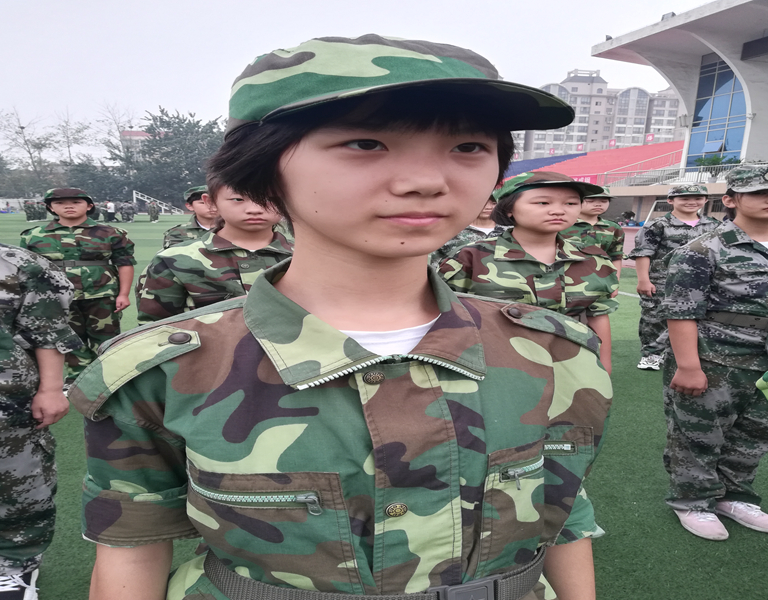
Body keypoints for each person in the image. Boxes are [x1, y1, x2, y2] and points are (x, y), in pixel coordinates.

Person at [69, 35, 612, 600]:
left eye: (468, 146)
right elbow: (133, 547)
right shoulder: (166, 370)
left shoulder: (555, 350)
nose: (427, 180)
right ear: (263, 170)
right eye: (365, 143)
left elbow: (564, 514)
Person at [0, 186, 82, 599]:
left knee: (21, 495)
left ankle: (15, 568)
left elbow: (46, 333)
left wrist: (51, 388)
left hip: (6, 408)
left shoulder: (15, 264)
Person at [661, 163, 768, 541]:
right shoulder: (704, 248)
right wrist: (689, 366)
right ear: (731, 199)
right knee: (699, 432)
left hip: (763, 363)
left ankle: (734, 495)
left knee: (755, 431)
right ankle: (693, 500)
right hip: (716, 356)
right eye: (759, 193)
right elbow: (680, 311)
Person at [439, 171, 618, 374]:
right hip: (497, 366)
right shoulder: (471, 257)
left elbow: (598, 314)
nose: (558, 211)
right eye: (543, 203)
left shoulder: (593, 258)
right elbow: (446, 313)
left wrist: (603, 365)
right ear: (509, 208)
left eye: (570, 203)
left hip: (571, 363)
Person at [20, 188, 136, 387]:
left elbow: (124, 263)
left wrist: (124, 294)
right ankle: (77, 378)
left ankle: (109, 377)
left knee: (107, 337)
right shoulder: (34, 235)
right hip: (56, 297)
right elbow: (27, 269)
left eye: (76, 202)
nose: (68, 206)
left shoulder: (110, 233)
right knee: (69, 337)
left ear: (89, 206)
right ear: (50, 208)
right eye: (60, 203)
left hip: (101, 293)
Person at [138, 187, 292, 323]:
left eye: (271, 199)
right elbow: (154, 331)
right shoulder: (173, 259)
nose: (255, 209)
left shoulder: (302, 257)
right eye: (238, 199)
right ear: (211, 202)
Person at [628, 184, 718, 371]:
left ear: (705, 200)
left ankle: (686, 354)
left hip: (702, 282)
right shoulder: (658, 225)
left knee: (698, 317)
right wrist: (644, 280)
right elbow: (643, 253)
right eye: (684, 198)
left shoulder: (714, 225)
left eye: (698, 198)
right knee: (654, 317)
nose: (691, 202)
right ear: (670, 200)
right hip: (663, 280)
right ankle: (652, 354)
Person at [560, 186, 624, 295]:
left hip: (600, 282)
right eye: (591, 201)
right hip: (565, 280)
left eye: (604, 201)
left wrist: (615, 283)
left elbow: (616, 257)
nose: (598, 204)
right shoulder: (563, 224)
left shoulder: (613, 228)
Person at [428, 196, 502, 266]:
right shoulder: (453, 230)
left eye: (494, 203)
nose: (489, 207)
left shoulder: (506, 230)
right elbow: (437, 263)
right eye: (483, 202)